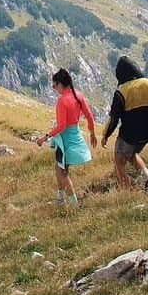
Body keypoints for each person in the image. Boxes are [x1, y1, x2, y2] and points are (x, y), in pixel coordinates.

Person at [36, 67, 95, 205]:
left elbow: (61, 126)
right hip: (75, 134)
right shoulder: (78, 95)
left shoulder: (62, 101)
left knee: (61, 171)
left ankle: (73, 203)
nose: (54, 88)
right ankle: (60, 198)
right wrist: (92, 133)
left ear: (60, 84)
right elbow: (90, 117)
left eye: (54, 85)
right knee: (61, 168)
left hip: (65, 140)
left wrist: (45, 137)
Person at [101, 56, 148, 189]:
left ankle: (126, 192)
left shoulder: (122, 91)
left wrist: (105, 136)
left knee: (119, 161)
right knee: (132, 155)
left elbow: (114, 119)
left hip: (128, 135)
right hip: (146, 134)